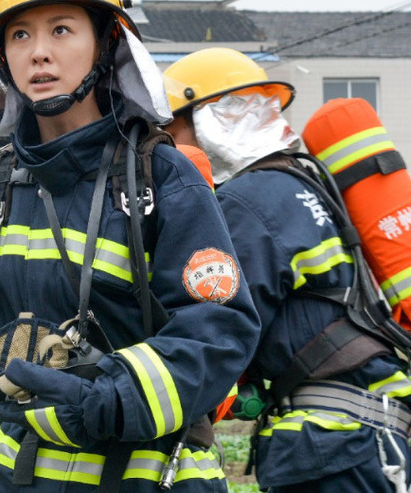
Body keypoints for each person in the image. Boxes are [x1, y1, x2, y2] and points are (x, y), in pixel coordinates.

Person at [0, 0, 260, 492]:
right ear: (2, 58)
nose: (38, 52)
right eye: (20, 35)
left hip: (142, 476)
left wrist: (108, 399)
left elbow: (220, 330)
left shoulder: (162, 179)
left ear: (105, 44)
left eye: (61, 29)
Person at [163, 47, 411, 493]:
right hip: (362, 433)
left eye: (172, 128)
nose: (167, 145)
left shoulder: (245, 203)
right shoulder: (298, 184)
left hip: (332, 445)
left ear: (213, 122)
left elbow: (218, 331)